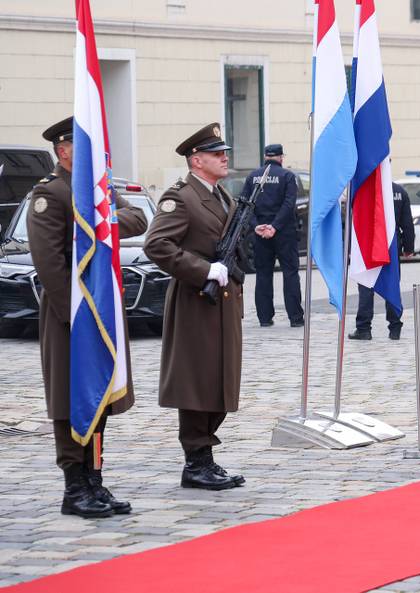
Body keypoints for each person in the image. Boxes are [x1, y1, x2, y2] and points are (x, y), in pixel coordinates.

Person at [27, 117, 147, 517]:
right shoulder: (51, 193)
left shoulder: (98, 190)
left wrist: (100, 221)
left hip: (103, 309)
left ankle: (95, 479)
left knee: (101, 396)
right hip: (71, 315)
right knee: (70, 398)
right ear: (63, 151)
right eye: (82, 147)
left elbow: (137, 219)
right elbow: (47, 261)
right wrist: (73, 315)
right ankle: (73, 486)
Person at [144, 123, 245, 490]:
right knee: (196, 384)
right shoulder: (181, 197)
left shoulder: (224, 197)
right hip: (195, 303)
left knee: (220, 384)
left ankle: (206, 455)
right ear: (196, 160)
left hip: (224, 304)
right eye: (217, 153)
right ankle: (196, 461)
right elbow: (157, 245)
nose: (225, 157)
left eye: (224, 152)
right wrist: (204, 269)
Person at [243, 143, 304, 328]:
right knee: (290, 273)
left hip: (260, 232)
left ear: (265, 156)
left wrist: (256, 226)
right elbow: (289, 204)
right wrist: (275, 226)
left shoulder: (253, 176)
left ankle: (264, 317)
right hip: (284, 232)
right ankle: (295, 317)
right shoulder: (287, 176)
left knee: (263, 274)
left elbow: (246, 205)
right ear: (281, 157)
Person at [349, 181, 415, 340]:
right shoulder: (399, 191)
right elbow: (407, 224)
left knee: (366, 286)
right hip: (391, 246)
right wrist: (409, 247)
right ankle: (395, 327)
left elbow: (356, 220)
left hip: (368, 245)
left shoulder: (364, 189)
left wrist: (352, 247)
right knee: (391, 285)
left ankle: (364, 328)